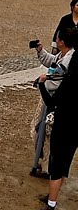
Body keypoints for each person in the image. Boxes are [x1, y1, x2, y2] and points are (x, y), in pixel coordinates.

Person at [32, 28, 75, 179]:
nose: (55, 40)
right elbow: (51, 62)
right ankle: (45, 165)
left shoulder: (68, 60)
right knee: (41, 131)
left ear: (62, 41)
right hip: (53, 98)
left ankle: (48, 169)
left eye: (57, 38)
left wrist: (42, 81)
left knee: (47, 133)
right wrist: (41, 50)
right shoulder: (64, 55)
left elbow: (54, 78)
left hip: (56, 102)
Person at [44, 27, 78, 209]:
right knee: (65, 160)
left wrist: (42, 84)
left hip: (66, 118)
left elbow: (53, 99)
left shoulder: (70, 70)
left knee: (57, 161)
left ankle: (51, 203)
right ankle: (52, 196)